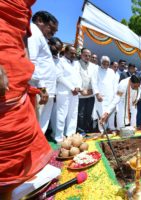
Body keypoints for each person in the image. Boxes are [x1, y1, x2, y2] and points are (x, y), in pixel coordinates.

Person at [0, 1, 52, 198]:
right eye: (50, 29)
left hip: (21, 87)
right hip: (5, 88)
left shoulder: (24, 14)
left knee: (24, 155)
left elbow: (22, 47)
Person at [27, 11, 58, 133]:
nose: (52, 33)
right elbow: (32, 62)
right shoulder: (34, 33)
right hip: (40, 89)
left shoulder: (41, 37)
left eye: (55, 32)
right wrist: (42, 89)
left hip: (46, 89)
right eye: (51, 28)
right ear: (40, 20)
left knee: (42, 122)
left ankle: (41, 146)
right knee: (36, 121)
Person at [55, 45, 82, 142]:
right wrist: (72, 88)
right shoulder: (60, 61)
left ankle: (70, 134)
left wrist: (78, 87)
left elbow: (79, 76)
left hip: (75, 93)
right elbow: (59, 77)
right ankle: (59, 137)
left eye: (75, 53)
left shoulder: (76, 63)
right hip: (64, 92)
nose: (74, 55)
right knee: (62, 114)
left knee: (73, 114)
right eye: (71, 53)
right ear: (65, 52)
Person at [92, 56, 118, 131]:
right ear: (101, 62)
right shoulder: (96, 70)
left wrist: (115, 95)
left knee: (111, 113)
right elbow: (94, 83)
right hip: (101, 96)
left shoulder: (111, 71)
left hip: (111, 96)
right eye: (104, 63)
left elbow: (115, 84)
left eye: (108, 64)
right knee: (102, 113)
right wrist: (97, 94)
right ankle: (102, 130)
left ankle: (111, 128)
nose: (106, 65)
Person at [77, 48, 97, 133]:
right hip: (81, 94)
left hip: (91, 94)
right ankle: (81, 131)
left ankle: (88, 130)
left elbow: (96, 80)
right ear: (81, 55)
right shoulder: (76, 64)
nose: (87, 57)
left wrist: (93, 90)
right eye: (85, 55)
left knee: (89, 113)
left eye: (89, 56)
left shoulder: (94, 66)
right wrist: (81, 90)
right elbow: (75, 78)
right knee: (81, 114)